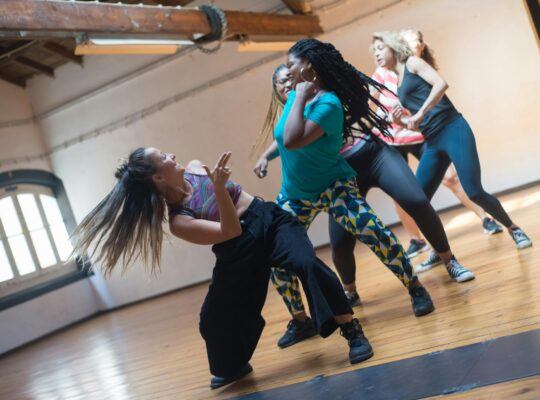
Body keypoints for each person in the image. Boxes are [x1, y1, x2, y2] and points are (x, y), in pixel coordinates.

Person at [72, 149, 377, 390]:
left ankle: (351, 330)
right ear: (158, 179)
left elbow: (237, 209)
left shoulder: (194, 166)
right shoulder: (180, 222)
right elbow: (230, 232)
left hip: (268, 222)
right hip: (237, 248)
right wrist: (219, 190)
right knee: (212, 319)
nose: (172, 156)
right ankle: (234, 364)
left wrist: (218, 187)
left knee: (306, 263)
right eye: (163, 157)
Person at [254, 38, 435, 349]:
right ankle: (300, 320)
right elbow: (284, 138)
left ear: (308, 67)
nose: (288, 72)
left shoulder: (328, 104)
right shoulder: (291, 104)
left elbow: (296, 139)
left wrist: (300, 97)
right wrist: (265, 156)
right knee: (276, 255)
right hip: (296, 194)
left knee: (375, 234)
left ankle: (415, 287)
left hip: (334, 187)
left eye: (291, 65)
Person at [371, 31, 532, 274]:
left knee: (474, 190)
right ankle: (441, 253)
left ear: (393, 48)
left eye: (380, 48)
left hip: (453, 128)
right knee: (418, 200)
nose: (376, 54)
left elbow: (441, 84)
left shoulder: (413, 63)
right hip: (433, 141)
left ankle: (513, 228)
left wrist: (420, 113)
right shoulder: (396, 78)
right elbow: (414, 123)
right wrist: (402, 122)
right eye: (373, 51)